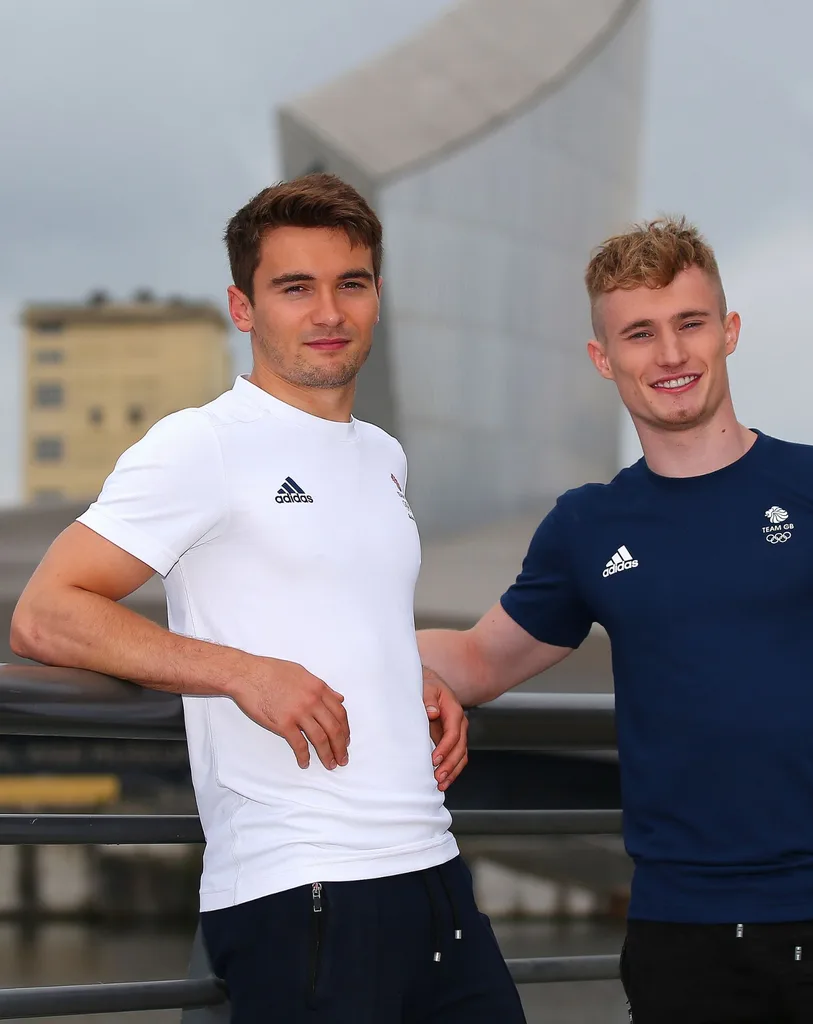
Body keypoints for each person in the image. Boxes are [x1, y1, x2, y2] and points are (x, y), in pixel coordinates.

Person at [417, 217, 813, 1023]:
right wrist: (362, 660)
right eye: (639, 333)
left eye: (689, 324)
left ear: (728, 331)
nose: (670, 355)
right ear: (604, 359)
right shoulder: (587, 526)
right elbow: (477, 658)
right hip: (684, 940)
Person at [12, 173, 525, 1024]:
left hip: (435, 875)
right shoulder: (200, 446)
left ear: (375, 296)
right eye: (295, 287)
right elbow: (46, 611)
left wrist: (408, 679)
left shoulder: (382, 456)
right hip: (304, 893)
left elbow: (339, 609)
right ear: (242, 308)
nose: (328, 312)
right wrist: (243, 674)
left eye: (349, 283)